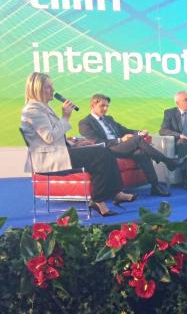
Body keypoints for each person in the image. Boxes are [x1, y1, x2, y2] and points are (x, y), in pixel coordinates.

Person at [20, 72, 135, 217]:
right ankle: (98, 200)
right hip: (49, 159)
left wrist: (74, 143)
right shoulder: (33, 110)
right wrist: (66, 117)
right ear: (37, 89)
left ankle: (116, 192)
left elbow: (52, 138)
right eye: (48, 87)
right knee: (100, 154)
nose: (53, 90)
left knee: (104, 149)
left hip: (59, 153)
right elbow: (49, 137)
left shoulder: (43, 107)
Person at [79, 94, 183, 197]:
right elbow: (97, 142)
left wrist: (140, 132)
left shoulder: (108, 119)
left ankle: (155, 186)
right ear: (92, 106)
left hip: (120, 147)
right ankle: (168, 161)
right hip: (107, 151)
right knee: (137, 140)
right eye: (102, 106)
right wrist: (120, 140)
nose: (105, 109)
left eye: (107, 106)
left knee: (140, 153)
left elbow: (124, 130)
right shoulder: (85, 123)